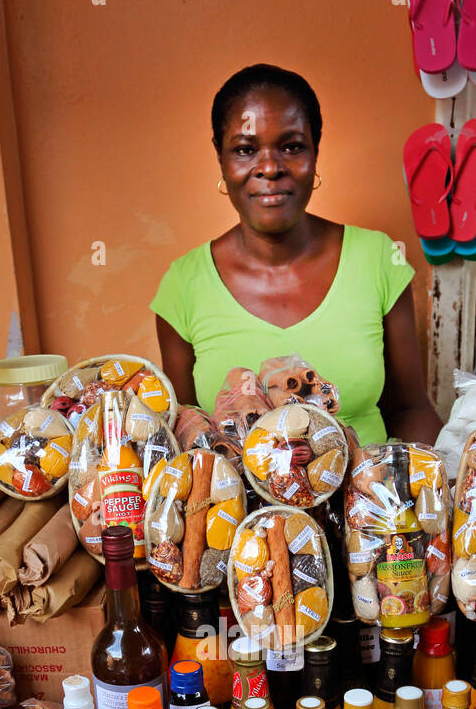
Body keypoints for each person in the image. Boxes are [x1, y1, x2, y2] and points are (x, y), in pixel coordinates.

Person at [151, 64, 441, 447]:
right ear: (221, 159)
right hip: (237, 507)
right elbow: (189, 434)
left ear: (315, 154)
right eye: (245, 149)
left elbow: (410, 409)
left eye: (291, 146)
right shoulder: (184, 286)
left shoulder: (378, 260)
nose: (270, 167)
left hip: (370, 499)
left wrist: (431, 486)